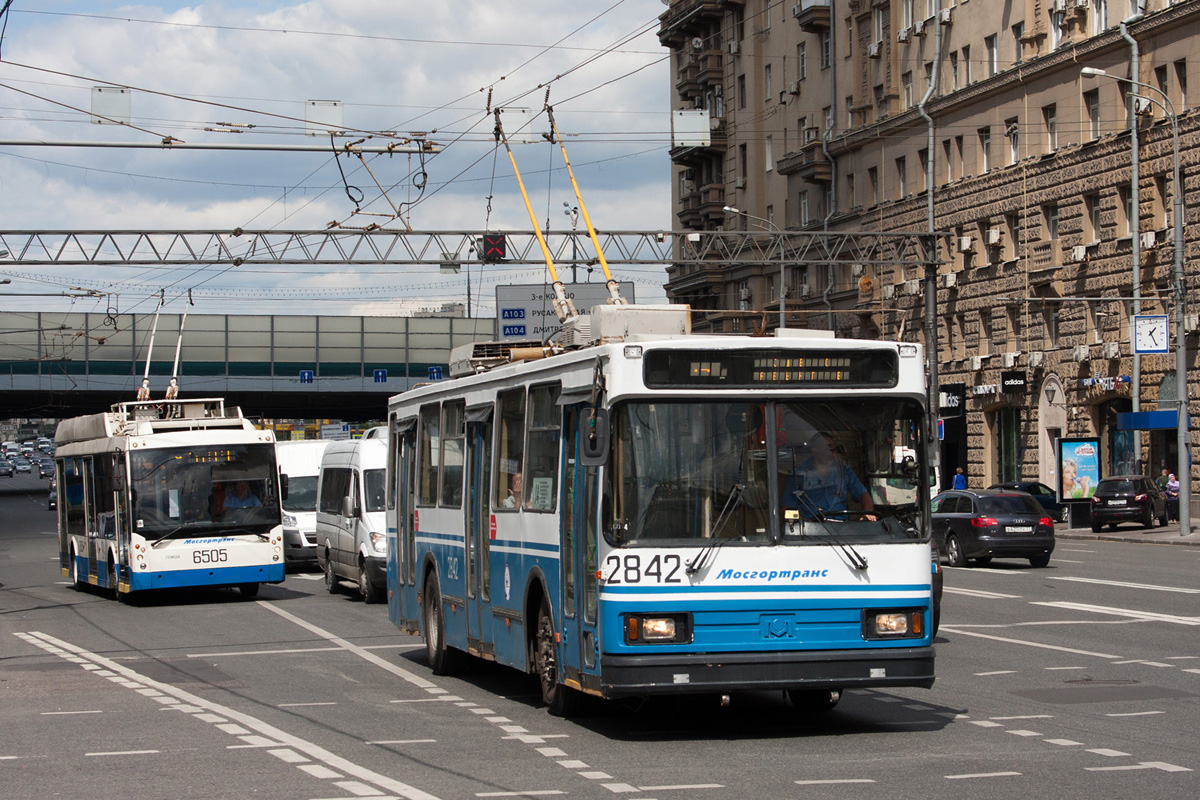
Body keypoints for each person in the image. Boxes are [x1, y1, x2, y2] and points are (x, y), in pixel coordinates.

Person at [783, 433, 876, 521]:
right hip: (810, 530)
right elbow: (786, 508)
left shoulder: (845, 471)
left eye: (835, 448)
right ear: (815, 450)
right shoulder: (798, 474)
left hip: (843, 528)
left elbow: (863, 495)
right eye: (829, 448)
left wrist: (867, 514)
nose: (834, 452)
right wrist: (803, 522)